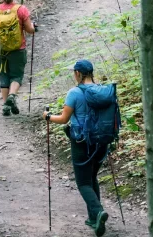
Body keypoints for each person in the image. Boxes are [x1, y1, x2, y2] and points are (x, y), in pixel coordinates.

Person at [42, 60, 109, 237]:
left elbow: (64, 119)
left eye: (74, 72)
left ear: (78, 74)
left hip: (81, 142)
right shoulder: (103, 90)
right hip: (102, 141)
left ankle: (98, 210)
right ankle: (94, 218)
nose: (74, 74)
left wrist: (48, 116)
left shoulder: (74, 92)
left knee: (83, 182)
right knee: (92, 176)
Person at [0, 0, 36, 116]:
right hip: (17, 48)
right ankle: (12, 96)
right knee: (17, 75)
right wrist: (34, 26)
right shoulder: (21, 9)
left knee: (3, 75)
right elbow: (30, 30)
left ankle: (6, 107)